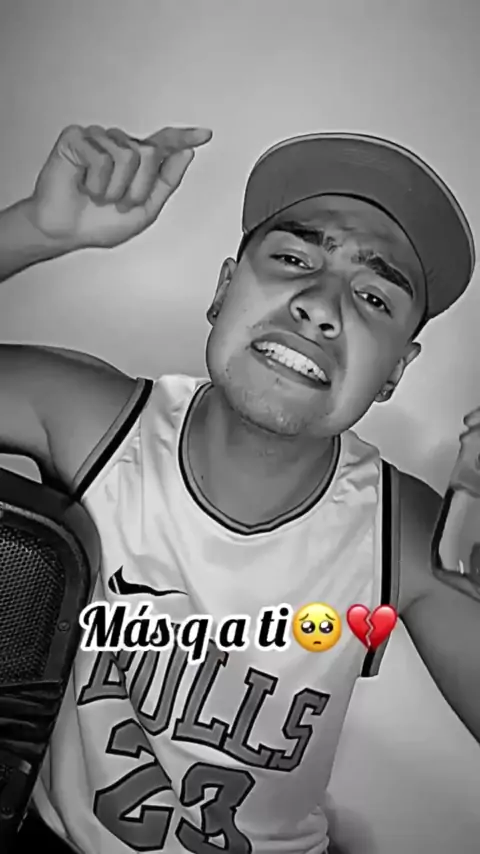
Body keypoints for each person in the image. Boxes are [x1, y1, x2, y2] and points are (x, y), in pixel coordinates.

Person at [1, 123, 479, 854]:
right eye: (293, 259)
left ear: (395, 372)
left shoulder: (407, 532)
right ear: (224, 289)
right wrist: (35, 229)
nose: (321, 307)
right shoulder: (95, 421)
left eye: (374, 297)